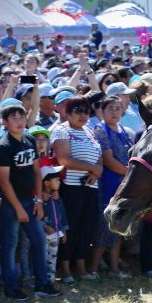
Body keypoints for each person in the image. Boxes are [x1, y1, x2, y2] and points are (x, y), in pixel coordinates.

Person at [0, 103, 60, 300]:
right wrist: (18, 208)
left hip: (30, 200)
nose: (20, 121)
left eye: (22, 117)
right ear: (5, 122)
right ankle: (11, 287)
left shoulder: (29, 139)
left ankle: (42, 284)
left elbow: (37, 172)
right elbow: (3, 181)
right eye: (14, 118)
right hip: (9, 203)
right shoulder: (4, 147)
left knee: (39, 241)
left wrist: (38, 200)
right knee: (10, 245)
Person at [51, 96, 102, 283]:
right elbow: (63, 159)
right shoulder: (62, 130)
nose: (83, 115)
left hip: (90, 186)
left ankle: (80, 266)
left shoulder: (90, 131)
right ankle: (65, 268)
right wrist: (92, 169)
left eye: (86, 111)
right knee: (70, 228)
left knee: (87, 227)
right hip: (70, 187)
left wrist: (96, 172)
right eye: (78, 111)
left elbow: (98, 157)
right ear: (68, 112)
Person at [91, 97, 134, 279]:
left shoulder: (123, 129)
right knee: (104, 226)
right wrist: (130, 174)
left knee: (118, 226)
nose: (115, 112)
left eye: (118, 108)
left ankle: (115, 268)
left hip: (123, 183)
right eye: (111, 108)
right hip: (109, 183)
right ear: (102, 110)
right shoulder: (101, 129)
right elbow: (108, 160)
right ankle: (93, 268)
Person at [40, 165, 69, 286]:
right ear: (46, 183)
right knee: (42, 258)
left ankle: (51, 279)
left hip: (56, 234)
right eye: (56, 180)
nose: (59, 182)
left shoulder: (58, 198)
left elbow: (62, 214)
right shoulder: (39, 199)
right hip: (44, 235)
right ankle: (41, 279)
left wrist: (64, 231)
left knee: (53, 257)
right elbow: (36, 216)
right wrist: (44, 226)